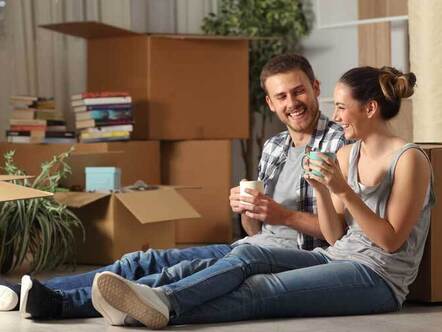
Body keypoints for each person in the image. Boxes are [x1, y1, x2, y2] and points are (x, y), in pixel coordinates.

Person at [0, 53, 347, 320]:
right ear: (271, 103)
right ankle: (25, 292)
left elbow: (342, 235)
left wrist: (282, 215)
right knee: (143, 260)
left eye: (298, 91)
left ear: (315, 88)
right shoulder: (274, 147)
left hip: (302, 258)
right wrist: (247, 209)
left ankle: (60, 304)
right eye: (281, 96)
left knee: (171, 274)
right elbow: (252, 230)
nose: (292, 103)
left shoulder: (340, 143)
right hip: (253, 246)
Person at [90, 65, 435, 329]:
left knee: (260, 290)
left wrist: (342, 190)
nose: (338, 116)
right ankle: (160, 301)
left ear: (370, 108)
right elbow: (335, 237)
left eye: (343, 107)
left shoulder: (409, 160)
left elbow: (390, 241)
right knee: (251, 257)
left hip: (378, 279)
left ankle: (154, 309)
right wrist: (322, 190)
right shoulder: (348, 155)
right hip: (338, 256)